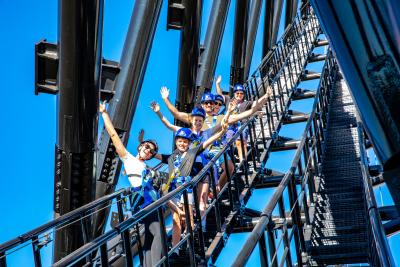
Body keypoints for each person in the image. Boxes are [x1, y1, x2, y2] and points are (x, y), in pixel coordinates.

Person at [150, 100, 237, 229]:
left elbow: (222, 124)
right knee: (189, 200)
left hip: (202, 168)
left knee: (202, 199)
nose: (197, 123)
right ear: (191, 120)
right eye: (195, 120)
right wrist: (158, 112)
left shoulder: (206, 133)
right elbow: (168, 125)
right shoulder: (185, 132)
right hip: (188, 170)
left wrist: (229, 111)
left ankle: (201, 226)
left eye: (200, 121)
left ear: (203, 123)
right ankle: (188, 226)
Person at [99, 101, 162, 267]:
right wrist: (104, 114)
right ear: (141, 147)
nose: (148, 151)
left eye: (152, 151)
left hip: (153, 205)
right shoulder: (129, 159)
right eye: (147, 147)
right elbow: (114, 137)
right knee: (158, 233)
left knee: (149, 239)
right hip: (143, 206)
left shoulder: (148, 168)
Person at [153, 122, 229, 256]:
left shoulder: (192, 153)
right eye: (180, 141)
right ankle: (175, 248)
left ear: (189, 143)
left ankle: (189, 244)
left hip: (186, 190)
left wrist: (221, 132)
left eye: (185, 142)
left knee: (189, 217)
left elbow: (206, 143)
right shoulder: (172, 157)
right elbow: (154, 155)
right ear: (176, 141)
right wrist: (144, 144)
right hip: (174, 191)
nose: (182, 144)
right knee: (176, 219)